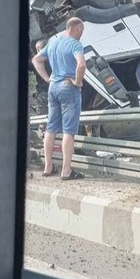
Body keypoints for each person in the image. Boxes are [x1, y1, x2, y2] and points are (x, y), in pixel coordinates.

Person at [32, 17, 87, 180]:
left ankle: (48, 168)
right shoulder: (75, 44)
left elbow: (36, 60)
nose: (82, 35)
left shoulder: (54, 41)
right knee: (69, 131)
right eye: (82, 31)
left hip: (53, 87)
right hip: (68, 87)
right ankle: (66, 171)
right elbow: (82, 65)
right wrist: (77, 82)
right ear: (77, 28)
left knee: (51, 128)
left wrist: (47, 78)